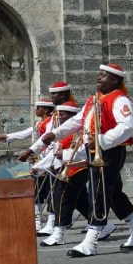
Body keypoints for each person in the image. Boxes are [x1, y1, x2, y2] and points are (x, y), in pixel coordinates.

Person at [27, 64, 133, 257]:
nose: (99, 78)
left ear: (115, 80)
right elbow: (78, 121)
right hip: (94, 150)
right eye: (99, 74)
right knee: (113, 194)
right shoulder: (94, 99)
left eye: (104, 76)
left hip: (109, 151)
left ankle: (91, 241)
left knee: (99, 193)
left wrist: (101, 140)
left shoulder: (119, 99)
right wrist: (56, 133)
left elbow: (127, 127)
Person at [0, 98, 55, 233]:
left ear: (45, 109)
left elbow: (48, 143)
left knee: (51, 192)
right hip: (38, 162)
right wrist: (4, 137)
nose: (36, 110)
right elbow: (24, 134)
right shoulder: (39, 124)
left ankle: (53, 224)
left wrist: (37, 155)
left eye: (38, 107)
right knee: (37, 192)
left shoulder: (52, 123)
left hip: (48, 162)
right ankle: (37, 223)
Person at [39, 101, 89, 246]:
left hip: (78, 167)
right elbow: (54, 153)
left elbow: (83, 150)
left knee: (62, 198)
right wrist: (40, 167)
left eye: (63, 114)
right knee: (80, 201)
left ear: (73, 116)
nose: (59, 116)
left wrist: (65, 154)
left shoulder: (79, 132)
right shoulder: (62, 132)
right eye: (59, 113)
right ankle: (104, 226)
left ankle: (59, 234)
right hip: (67, 168)